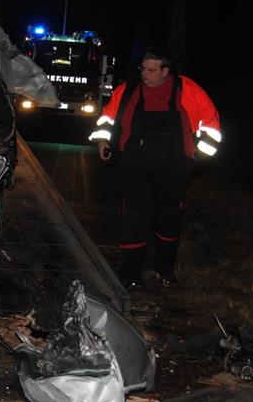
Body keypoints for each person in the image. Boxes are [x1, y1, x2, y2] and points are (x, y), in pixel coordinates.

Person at [88, 48, 221, 290]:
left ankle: (165, 271)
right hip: (134, 169)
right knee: (133, 221)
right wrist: (102, 141)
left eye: (151, 70)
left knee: (168, 222)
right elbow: (107, 118)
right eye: (143, 69)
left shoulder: (186, 89)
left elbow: (211, 126)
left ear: (165, 71)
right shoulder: (128, 90)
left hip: (172, 170)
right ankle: (130, 275)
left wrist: (198, 158)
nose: (144, 74)